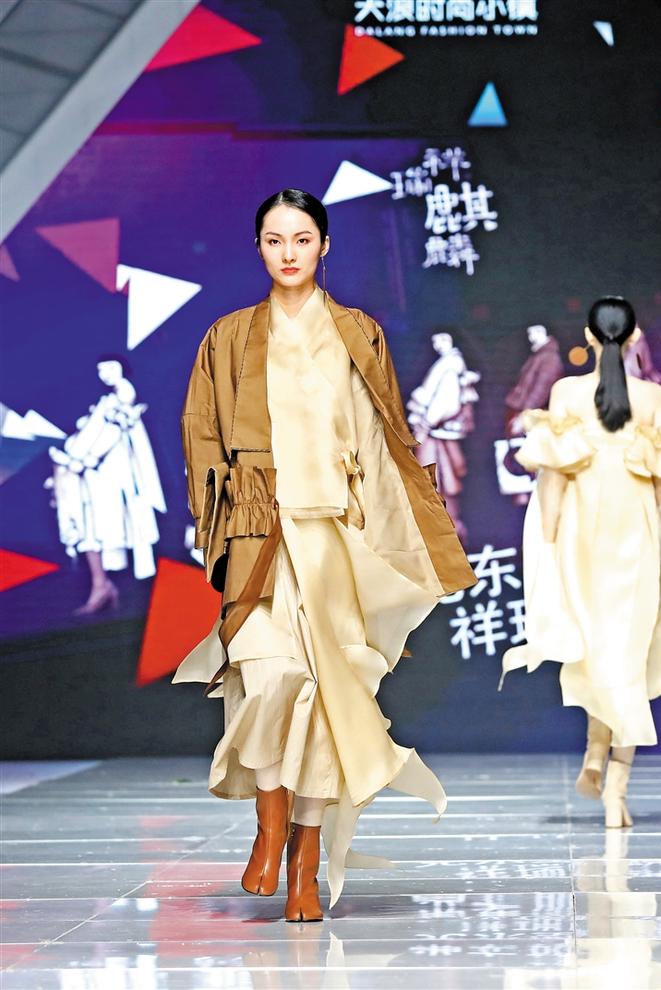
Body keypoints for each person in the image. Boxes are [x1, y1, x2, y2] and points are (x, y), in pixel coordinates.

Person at [173, 189, 476, 921]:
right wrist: (216, 515)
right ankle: (268, 822)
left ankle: (304, 861)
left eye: (302, 239)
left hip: (333, 540)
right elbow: (201, 432)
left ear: (325, 245)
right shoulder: (227, 337)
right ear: (258, 247)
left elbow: (379, 438)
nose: (289, 253)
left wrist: (388, 535)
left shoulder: (357, 333)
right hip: (259, 534)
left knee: (324, 701)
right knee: (267, 679)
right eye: (275, 240)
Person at [502, 297, 661, 828]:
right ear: (634, 337)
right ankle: (615, 784)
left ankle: (597, 756)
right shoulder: (653, 398)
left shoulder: (567, 393)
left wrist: (548, 547)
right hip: (636, 535)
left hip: (581, 536)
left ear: (590, 338)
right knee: (625, 658)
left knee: (600, 654)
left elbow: (552, 482)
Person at [47, 357, 166, 614]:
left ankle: (113, 589)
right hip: (96, 473)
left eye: (111, 367)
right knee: (91, 528)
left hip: (112, 474)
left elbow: (110, 433)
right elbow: (92, 433)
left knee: (104, 528)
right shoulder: (107, 400)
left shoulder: (124, 396)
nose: (106, 374)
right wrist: (75, 460)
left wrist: (83, 460)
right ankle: (101, 585)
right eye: (101, 370)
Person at [407, 330, 480, 545]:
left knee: (441, 484)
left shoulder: (450, 366)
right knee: (439, 485)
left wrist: (426, 423)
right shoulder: (448, 364)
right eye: (434, 340)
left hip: (436, 436)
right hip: (436, 434)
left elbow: (446, 402)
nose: (436, 344)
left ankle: (450, 535)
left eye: (440, 339)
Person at [505, 323, 564, 506]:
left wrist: (524, 415)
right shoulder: (540, 356)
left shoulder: (549, 358)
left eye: (537, 331)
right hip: (529, 418)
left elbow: (541, 389)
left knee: (533, 467)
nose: (532, 336)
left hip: (534, 420)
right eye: (530, 332)